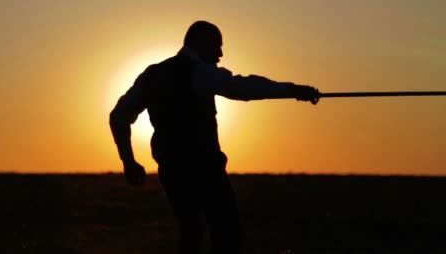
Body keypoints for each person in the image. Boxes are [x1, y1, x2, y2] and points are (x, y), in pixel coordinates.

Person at [109, 20, 320, 253]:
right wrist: (292, 90)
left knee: (191, 232)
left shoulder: (151, 75)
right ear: (200, 43)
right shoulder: (200, 73)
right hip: (205, 168)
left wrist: (127, 160)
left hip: (171, 169)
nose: (221, 54)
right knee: (226, 231)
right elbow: (242, 87)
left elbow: (119, 117)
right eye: (217, 46)